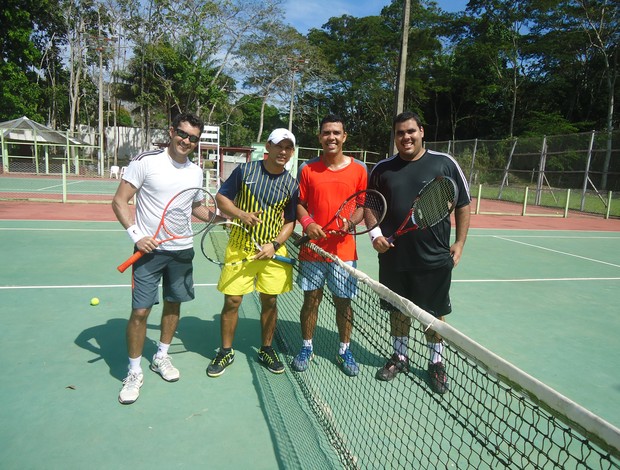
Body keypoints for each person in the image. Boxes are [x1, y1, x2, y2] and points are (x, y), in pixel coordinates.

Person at [368, 111, 471, 394]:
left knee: (433, 314)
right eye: (400, 133)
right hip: (394, 257)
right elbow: (371, 206)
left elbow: (463, 203)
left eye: (411, 131)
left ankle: (436, 363)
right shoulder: (382, 169)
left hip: (434, 257)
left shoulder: (444, 163)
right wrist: (375, 235)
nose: (406, 137)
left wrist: (460, 242)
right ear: (395, 136)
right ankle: (400, 356)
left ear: (421, 131)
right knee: (398, 311)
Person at [112, 112, 206, 404]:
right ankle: (134, 371)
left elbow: (199, 209)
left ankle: (161, 356)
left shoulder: (196, 171)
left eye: (193, 138)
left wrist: (224, 216)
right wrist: (137, 235)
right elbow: (119, 201)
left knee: (173, 304)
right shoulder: (146, 161)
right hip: (148, 252)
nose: (186, 141)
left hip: (182, 250)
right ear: (171, 131)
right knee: (140, 312)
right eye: (182, 133)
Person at [206, 128, 299, 377]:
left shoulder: (291, 184)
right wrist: (241, 214)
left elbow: (290, 222)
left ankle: (266, 348)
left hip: (272, 253)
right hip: (240, 248)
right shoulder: (245, 172)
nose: (283, 151)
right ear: (268, 146)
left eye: (288, 147)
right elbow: (222, 198)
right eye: (279, 145)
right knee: (232, 301)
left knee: (270, 302)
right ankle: (226, 350)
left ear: (291, 152)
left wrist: (275, 245)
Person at [292, 114, 368, 377]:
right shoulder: (307, 169)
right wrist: (308, 221)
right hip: (312, 250)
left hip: (344, 253)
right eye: (326, 133)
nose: (331, 137)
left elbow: (361, 205)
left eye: (336, 133)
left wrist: (350, 223)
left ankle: (345, 350)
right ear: (320, 137)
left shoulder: (359, 169)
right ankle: (306, 347)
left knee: (343, 304)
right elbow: (299, 203)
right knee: (310, 301)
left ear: (344, 137)